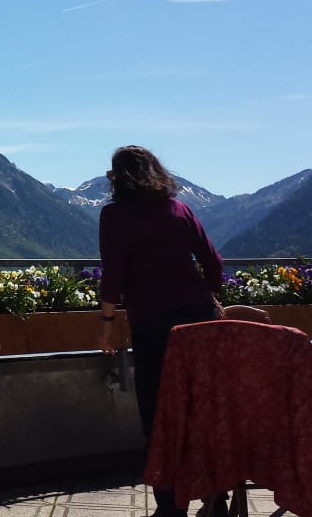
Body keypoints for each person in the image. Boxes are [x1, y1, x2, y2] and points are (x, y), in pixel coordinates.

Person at [95, 145, 224, 517]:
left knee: (157, 417)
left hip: (154, 328)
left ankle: (170, 505)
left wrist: (106, 325)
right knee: (204, 411)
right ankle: (217, 500)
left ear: (117, 177)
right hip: (200, 324)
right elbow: (213, 263)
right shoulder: (179, 209)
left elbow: (113, 275)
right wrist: (208, 297)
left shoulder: (115, 216)